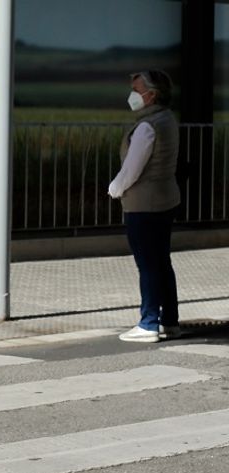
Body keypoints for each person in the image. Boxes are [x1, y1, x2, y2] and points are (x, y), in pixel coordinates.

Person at [109, 70, 181, 342]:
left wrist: (115, 189)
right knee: (162, 262)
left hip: (144, 205)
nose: (132, 95)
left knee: (148, 265)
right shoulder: (167, 119)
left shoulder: (147, 127)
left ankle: (148, 322)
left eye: (137, 90)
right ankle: (169, 322)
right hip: (165, 200)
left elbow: (132, 169)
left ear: (151, 95)